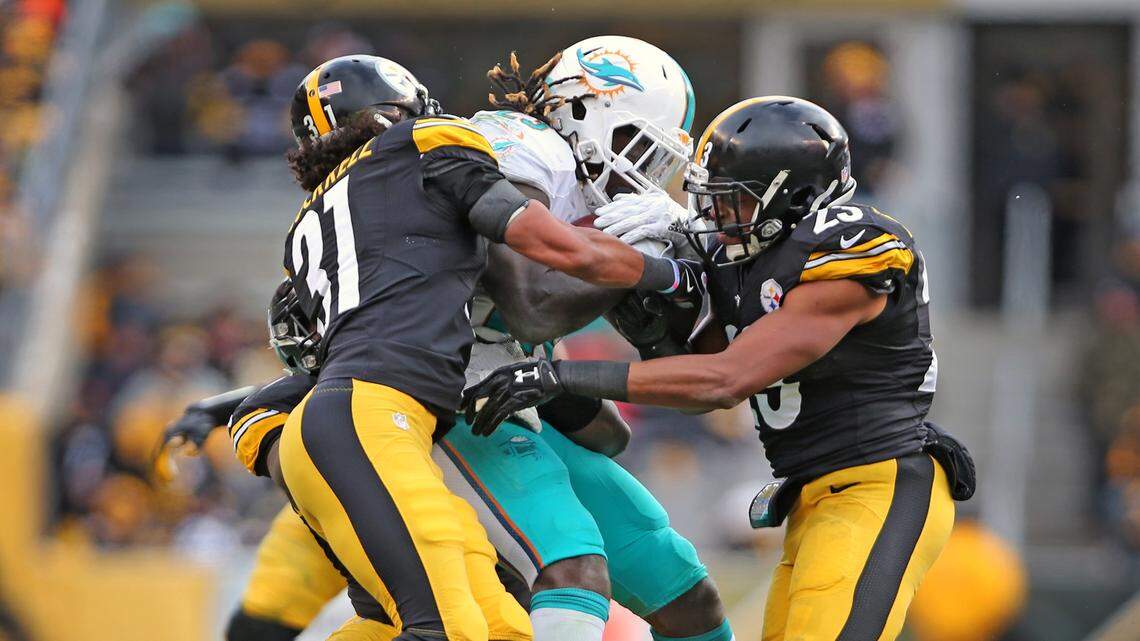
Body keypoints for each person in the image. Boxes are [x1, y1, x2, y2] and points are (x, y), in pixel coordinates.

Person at [164, 37, 733, 641]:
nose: (648, 172)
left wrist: (671, 286)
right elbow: (533, 306)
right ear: (584, 112)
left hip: (480, 386)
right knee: (551, 576)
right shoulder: (513, 145)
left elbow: (620, 419)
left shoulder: (572, 202)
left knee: (683, 591)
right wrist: (648, 266)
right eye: (639, 145)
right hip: (446, 393)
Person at [465, 96, 976, 641]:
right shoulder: (749, 255)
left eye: (735, 201)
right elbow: (664, 318)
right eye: (711, 200)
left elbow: (725, 379)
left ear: (795, 197)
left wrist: (558, 377)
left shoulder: (847, 246)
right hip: (811, 495)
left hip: (878, 484)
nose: (715, 218)